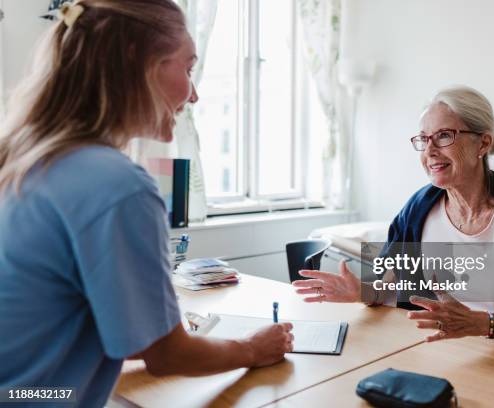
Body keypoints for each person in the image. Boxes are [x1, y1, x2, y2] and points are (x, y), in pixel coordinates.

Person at [0, 1, 292, 406]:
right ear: (138, 63)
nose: (194, 95)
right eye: (188, 69)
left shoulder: (22, 162)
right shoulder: (116, 184)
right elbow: (167, 355)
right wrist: (252, 348)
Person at [293, 86, 494, 352]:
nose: (430, 151)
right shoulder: (418, 209)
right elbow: (385, 285)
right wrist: (361, 291)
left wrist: (485, 325)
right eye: (423, 139)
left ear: (483, 144)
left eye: (444, 136)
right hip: (438, 355)